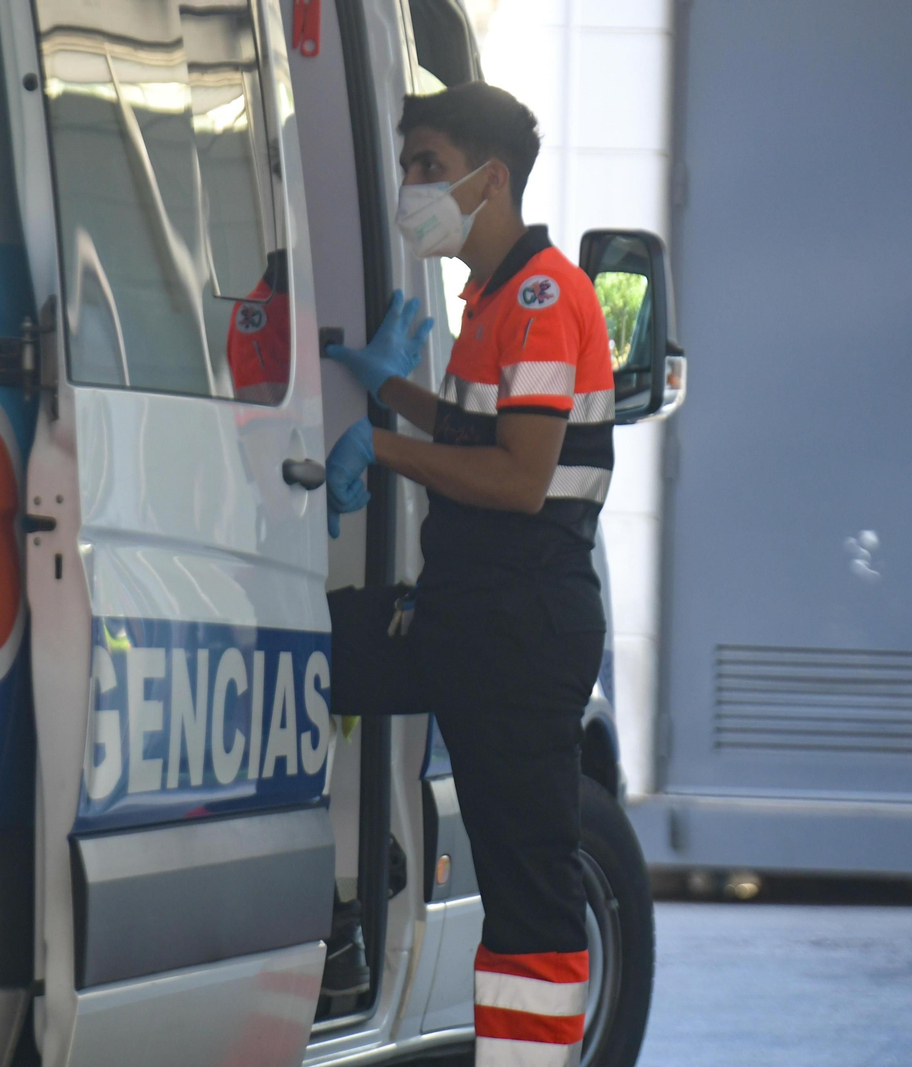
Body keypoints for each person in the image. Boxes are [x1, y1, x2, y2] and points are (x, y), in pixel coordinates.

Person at [324, 82, 614, 1067]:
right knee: (315, 655)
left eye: (429, 166)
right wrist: (391, 390)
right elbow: (476, 431)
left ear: (491, 180)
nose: (412, 186)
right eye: (408, 164)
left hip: (520, 625)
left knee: (527, 884)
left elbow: (521, 477)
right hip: (474, 614)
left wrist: (380, 443)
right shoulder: (493, 300)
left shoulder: (540, 298)